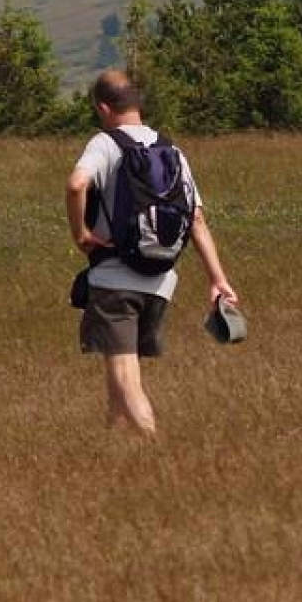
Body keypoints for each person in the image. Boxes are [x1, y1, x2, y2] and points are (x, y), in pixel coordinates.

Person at [66, 69, 240, 436]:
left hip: (114, 279)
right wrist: (218, 279)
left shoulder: (105, 143)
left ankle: (153, 444)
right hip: (160, 282)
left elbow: (77, 183)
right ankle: (111, 447)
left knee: (127, 375)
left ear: (102, 107)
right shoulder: (171, 150)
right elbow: (196, 220)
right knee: (119, 370)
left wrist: (80, 233)